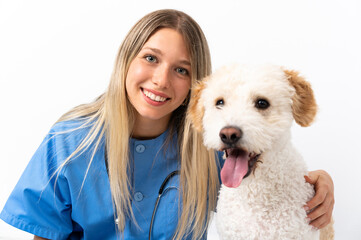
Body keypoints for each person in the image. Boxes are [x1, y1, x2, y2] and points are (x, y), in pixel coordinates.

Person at [0, 9, 334, 240]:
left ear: (195, 85)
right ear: (126, 60)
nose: (161, 80)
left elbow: (265, 178)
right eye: (150, 58)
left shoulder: (211, 147)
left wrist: (320, 181)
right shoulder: (69, 141)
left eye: (182, 70)